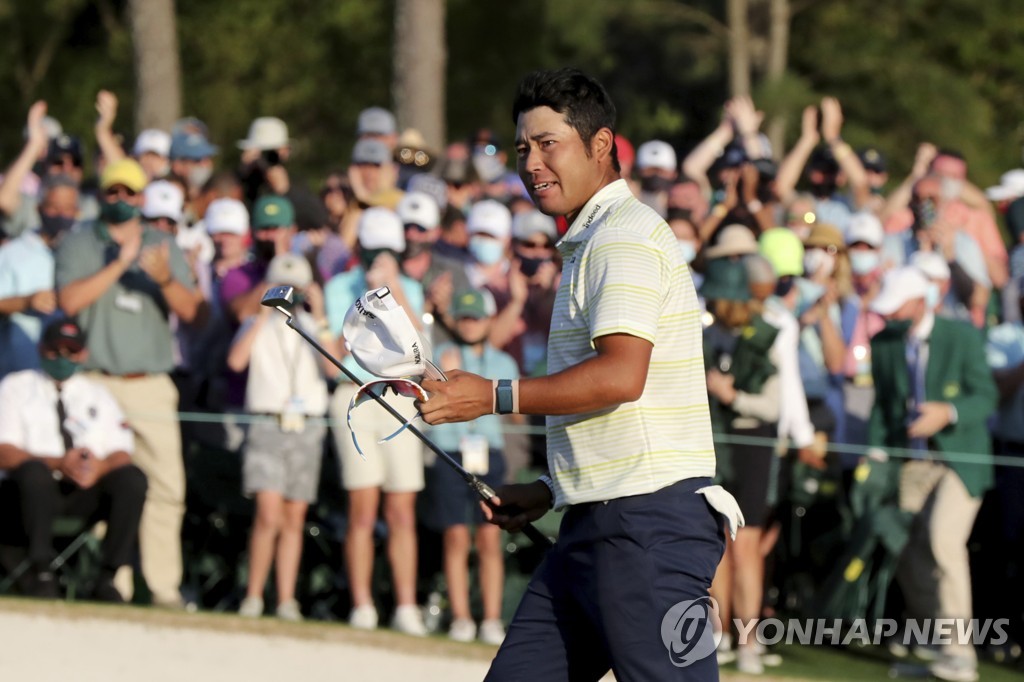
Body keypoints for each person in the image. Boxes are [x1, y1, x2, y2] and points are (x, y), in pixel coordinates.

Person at [419, 67, 735, 681]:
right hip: (594, 523)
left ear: (600, 146)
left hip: (647, 529)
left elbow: (621, 378)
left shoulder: (622, 237)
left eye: (547, 144)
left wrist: (492, 396)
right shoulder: (592, 240)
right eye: (522, 148)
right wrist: (549, 491)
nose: (531, 163)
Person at [54, 157, 201, 608]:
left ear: (141, 198)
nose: (120, 199)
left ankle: (162, 587)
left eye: (129, 193)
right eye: (113, 191)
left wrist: (163, 278)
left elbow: (194, 312)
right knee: (103, 483)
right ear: (102, 194)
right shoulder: (80, 241)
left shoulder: (163, 244)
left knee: (166, 487)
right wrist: (119, 265)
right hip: (97, 382)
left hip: (151, 382)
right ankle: (109, 584)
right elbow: (69, 301)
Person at [867, 266, 997, 682]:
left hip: (961, 460)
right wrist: (875, 455)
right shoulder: (884, 344)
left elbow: (987, 396)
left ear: (920, 302)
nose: (889, 315)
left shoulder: (961, 336)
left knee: (944, 540)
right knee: (905, 547)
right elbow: (883, 406)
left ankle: (961, 656)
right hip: (912, 462)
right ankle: (934, 643)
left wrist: (949, 412)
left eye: (898, 306)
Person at [323, 206, 429, 636]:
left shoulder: (411, 289)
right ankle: (362, 605)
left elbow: (416, 351)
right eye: (372, 251)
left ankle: (405, 607)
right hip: (355, 399)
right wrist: (367, 299)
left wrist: (394, 291)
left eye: (386, 252)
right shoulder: (338, 287)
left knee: (402, 511)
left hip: (401, 400)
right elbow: (336, 355)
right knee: (362, 511)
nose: (378, 259)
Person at [0, 319, 146, 601]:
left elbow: (120, 451)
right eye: (56, 350)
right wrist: (57, 463)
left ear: (83, 355)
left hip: (81, 490)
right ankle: (40, 571)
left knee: (131, 479)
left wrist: (97, 467)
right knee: (34, 473)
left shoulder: (98, 394)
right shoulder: (15, 387)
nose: (63, 358)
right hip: (29, 494)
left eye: (71, 351)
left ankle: (107, 577)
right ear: (42, 349)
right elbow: (4, 450)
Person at [229, 254, 332, 622]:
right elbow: (236, 361)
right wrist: (260, 311)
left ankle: (286, 599)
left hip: (306, 424)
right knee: (268, 515)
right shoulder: (258, 324)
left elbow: (335, 365)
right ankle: (254, 596)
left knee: (293, 516)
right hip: (267, 422)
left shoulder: (311, 324)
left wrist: (319, 315)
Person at [423, 288, 519, 645]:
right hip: (451, 452)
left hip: (489, 454)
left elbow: (517, 413)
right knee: (456, 537)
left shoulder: (504, 362)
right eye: (463, 318)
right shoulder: (443, 358)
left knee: (490, 538)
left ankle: (491, 618)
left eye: (476, 317)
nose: (470, 324)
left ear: (488, 321)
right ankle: (461, 617)